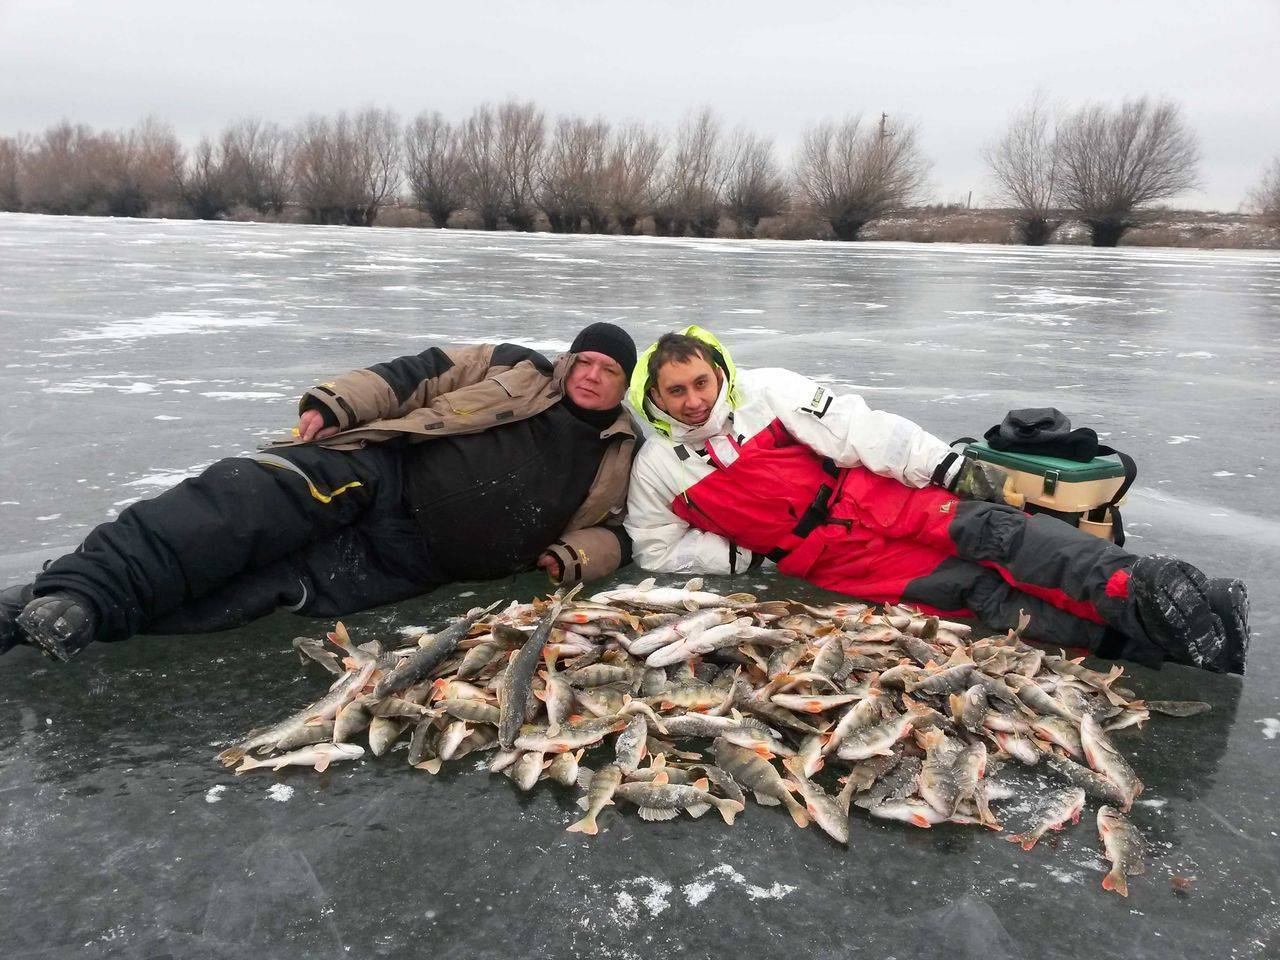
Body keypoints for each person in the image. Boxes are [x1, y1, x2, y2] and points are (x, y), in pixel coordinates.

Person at [623, 326, 1250, 674]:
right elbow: (657, 549)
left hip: (876, 495)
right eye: (676, 391)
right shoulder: (658, 466)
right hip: (833, 560)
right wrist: (741, 560)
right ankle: (1150, 644)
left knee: (1005, 536)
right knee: (980, 595)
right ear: (655, 396)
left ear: (719, 374)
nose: (694, 400)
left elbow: (861, 430)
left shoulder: (767, 393)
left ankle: (1144, 590)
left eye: (701, 382)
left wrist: (945, 469)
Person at [0, 322, 640, 662]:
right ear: (567, 362)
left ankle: (79, 615)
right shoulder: (513, 364)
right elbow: (414, 375)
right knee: (240, 507)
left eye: (608, 370)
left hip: (413, 562)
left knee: (263, 593)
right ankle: (81, 589)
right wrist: (339, 401)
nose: (590, 375)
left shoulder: (622, 449)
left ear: (623, 386)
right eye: (584, 361)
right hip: (383, 468)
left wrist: (578, 558)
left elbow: (614, 530)